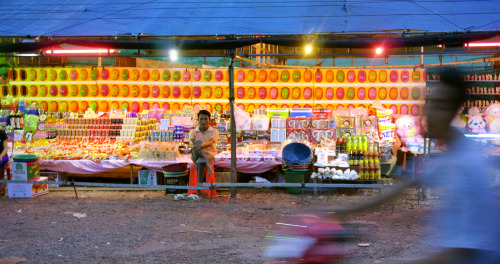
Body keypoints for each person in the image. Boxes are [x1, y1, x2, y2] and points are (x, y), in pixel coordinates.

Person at [189, 110, 219, 195]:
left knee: (199, 162)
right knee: (197, 143)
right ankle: (199, 189)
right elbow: (191, 143)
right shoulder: (193, 131)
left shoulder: (214, 131)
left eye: (205, 119)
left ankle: (199, 190)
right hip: (196, 154)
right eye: (201, 119)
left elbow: (211, 142)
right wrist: (195, 146)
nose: (203, 121)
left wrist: (200, 146)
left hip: (209, 155)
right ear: (198, 120)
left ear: (209, 120)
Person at [0, 127, 9, 196]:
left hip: (3, 155)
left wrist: (1, 155)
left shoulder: (2, 133)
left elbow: (6, 148)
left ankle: (1, 188)